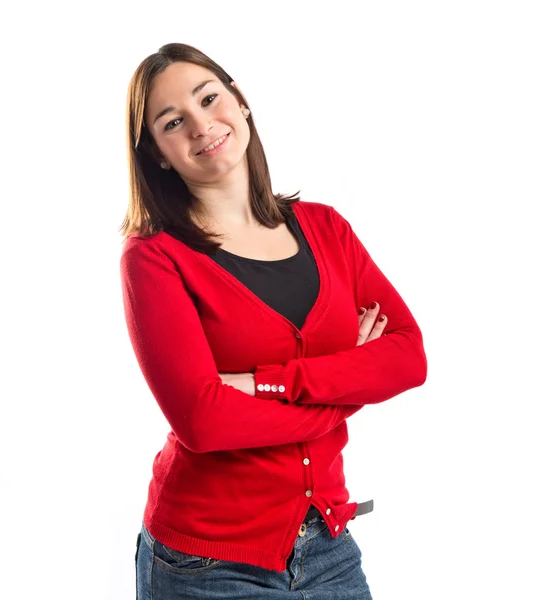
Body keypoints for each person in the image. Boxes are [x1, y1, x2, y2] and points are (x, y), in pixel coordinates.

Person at [119, 42, 427, 600]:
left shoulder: (326, 228)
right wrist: (350, 387)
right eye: (173, 122)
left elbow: (408, 356)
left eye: (210, 98)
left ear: (240, 101)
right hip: (206, 561)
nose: (201, 125)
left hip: (329, 543)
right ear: (159, 153)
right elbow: (203, 422)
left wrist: (271, 384)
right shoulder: (155, 256)